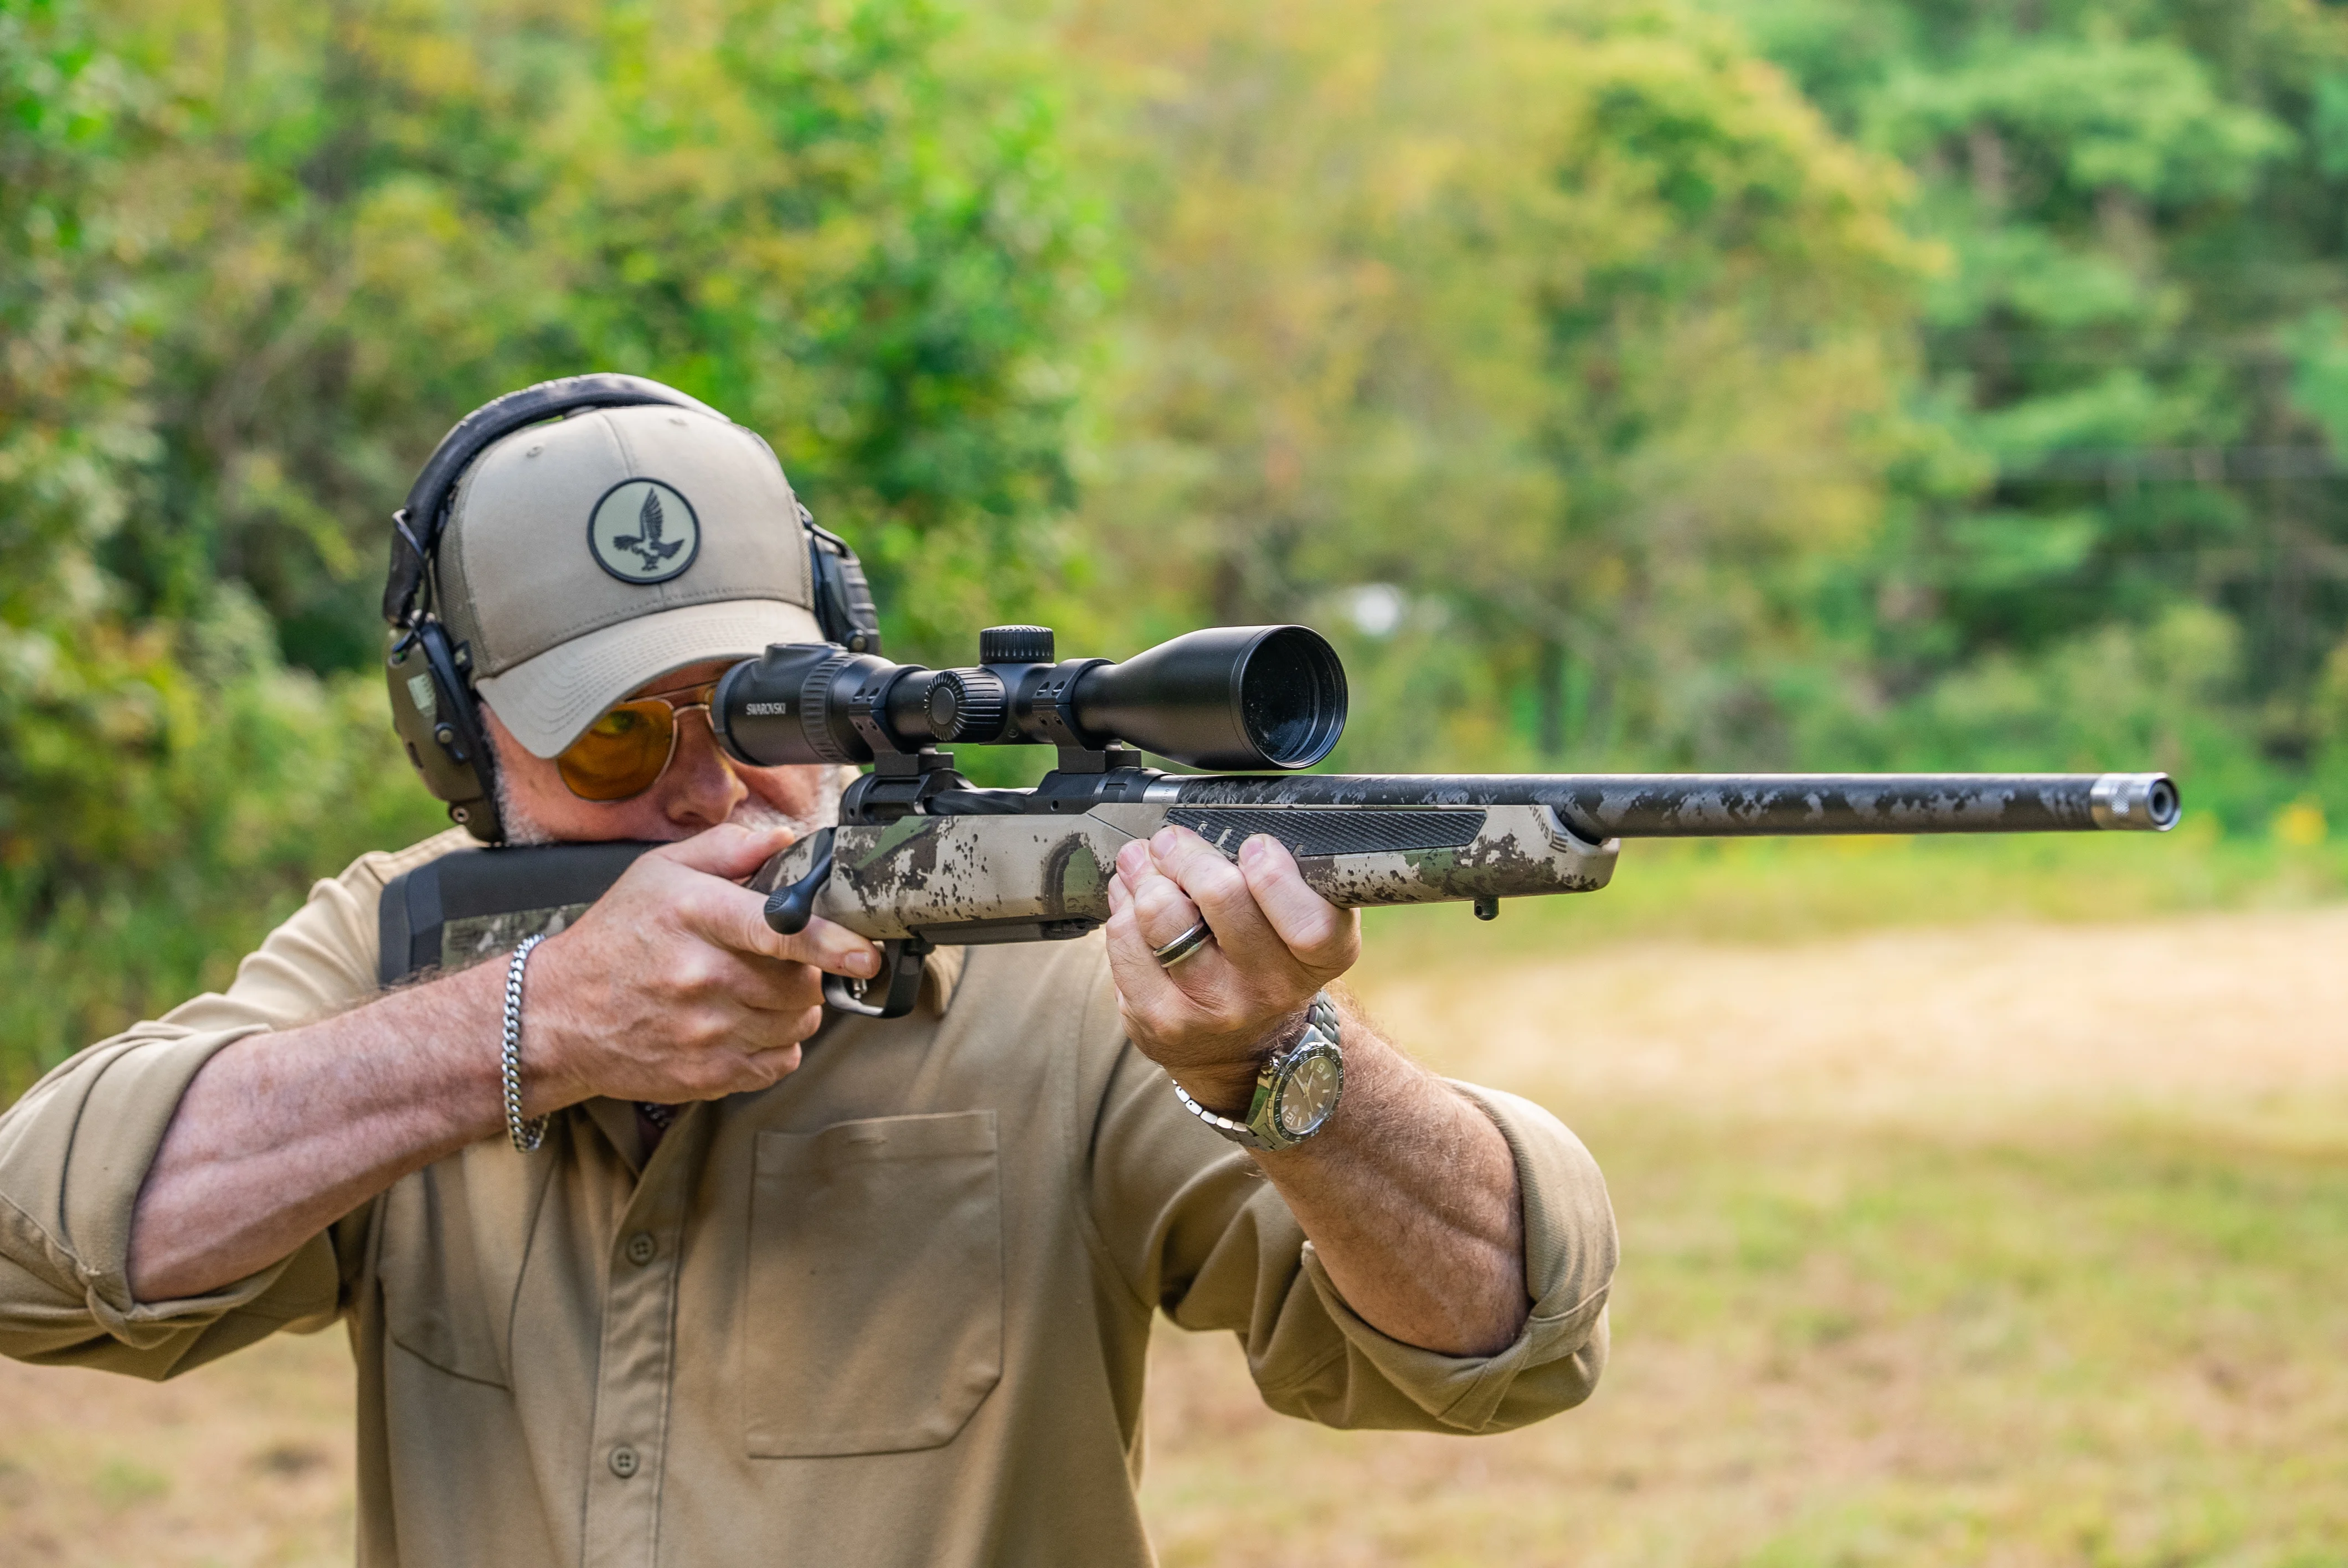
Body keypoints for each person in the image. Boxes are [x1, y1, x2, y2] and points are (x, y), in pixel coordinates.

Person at [0, 378, 1616, 1567]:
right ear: (458, 739)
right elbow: (41, 1251)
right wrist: (533, 1026)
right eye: (618, 734)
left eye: (766, 710)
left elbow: (1500, 1337)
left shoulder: (1046, 963)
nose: (706, 794)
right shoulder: (406, 943)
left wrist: (1288, 1072)